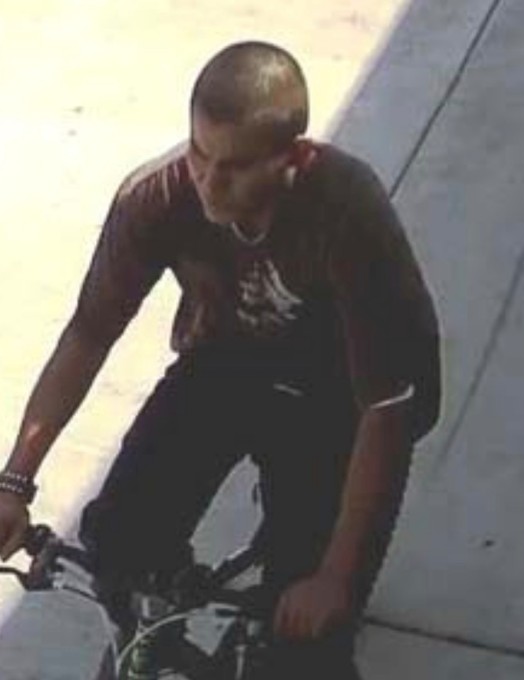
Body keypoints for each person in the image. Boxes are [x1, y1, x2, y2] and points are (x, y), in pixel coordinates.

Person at [0, 41, 441, 678]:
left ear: (295, 157)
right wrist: (13, 483)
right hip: (229, 363)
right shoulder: (157, 197)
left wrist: (334, 579)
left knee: (307, 636)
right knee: (119, 543)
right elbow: (88, 335)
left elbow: (387, 410)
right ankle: (169, 621)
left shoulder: (347, 209)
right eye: (199, 154)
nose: (208, 181)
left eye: (233, 167)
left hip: (349, 395)